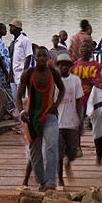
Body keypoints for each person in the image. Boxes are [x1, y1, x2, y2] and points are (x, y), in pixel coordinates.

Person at [16, 46, 64, 190]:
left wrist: (57, 104)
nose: (42, 58)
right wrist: (21, 112)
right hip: (32, 117)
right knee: (35, 151)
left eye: (45, 56)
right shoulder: (28, 74)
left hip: (49, 115)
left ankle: (51, 181)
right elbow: (18, 96)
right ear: (35, 58)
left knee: (52, 146)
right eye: (39, 56)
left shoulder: (53, 73)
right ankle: (41, 180)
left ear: (48, 57)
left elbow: (62, 89)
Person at [55, 53, 83, 188]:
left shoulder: (75, 80)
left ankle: (68, 162)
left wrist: (80, 119)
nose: (64, 67)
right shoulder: (54, 81)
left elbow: (78, 101)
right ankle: (60, 178)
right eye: (61, 64)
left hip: (71, 122)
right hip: (58, 123)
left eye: (66, 64)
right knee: (59, 153)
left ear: (70, 66)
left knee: (72, 152)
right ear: (58, 66)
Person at [8, 20, 32, 112]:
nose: (10, 29)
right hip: (14, 75)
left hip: (21, 74)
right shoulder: (13, 42)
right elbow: (12, 60)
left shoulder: (25, 40)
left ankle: (26, 115)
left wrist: (25, 73)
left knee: (23, 98)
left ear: (18, 29)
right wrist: (9, 75)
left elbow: (28, 56)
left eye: (12, 27)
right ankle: (19, 116)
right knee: (15, 98)